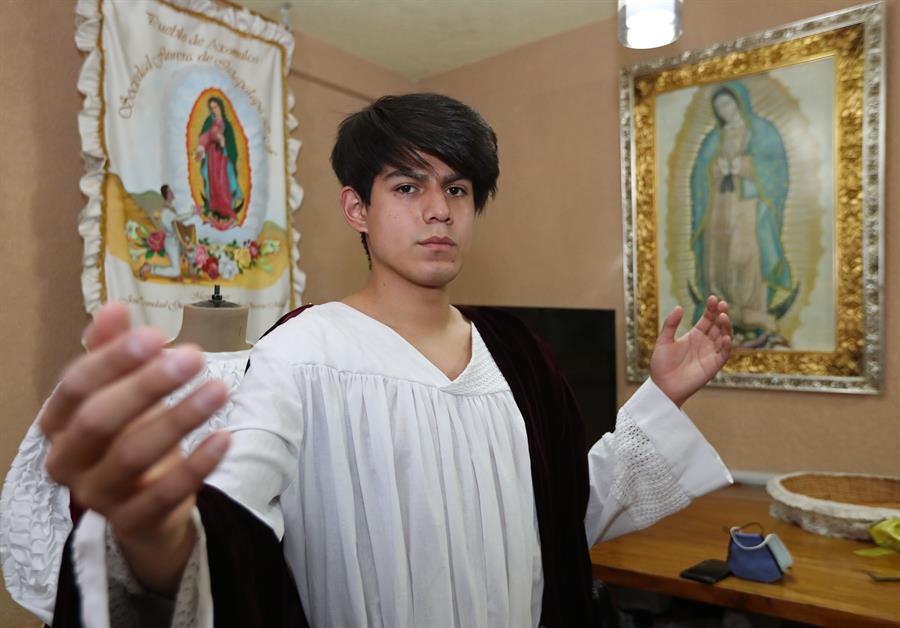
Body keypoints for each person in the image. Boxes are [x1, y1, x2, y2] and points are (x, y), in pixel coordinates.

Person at [43, 93, 733, 628]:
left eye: (457, 189)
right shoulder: (304, 351)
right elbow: (229, 532)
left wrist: (663, 398)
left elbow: (565, 515)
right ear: (357, 208)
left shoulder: (517, 355)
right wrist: (148, 536)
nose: (439, 210)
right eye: (408, 187)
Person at [689, 81, 797, 348]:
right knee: (718, 258)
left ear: (738, 102)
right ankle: (722, 310)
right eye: (718, 108)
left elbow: (776, 170)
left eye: (727, 104)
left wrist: (744, 166)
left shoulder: (761, 131)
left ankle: (751, 312)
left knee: (746, 256)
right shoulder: (714, 139)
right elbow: (698, 176)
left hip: (748, 207)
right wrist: (716, 167)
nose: (724, 111)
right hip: (718, 208)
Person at [194, 96, 244, 229]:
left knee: (224, 182)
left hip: (224, 158)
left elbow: (232, 145)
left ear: (220, 107)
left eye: (215, 107)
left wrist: (224, 143)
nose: (214, 110)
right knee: (214, 183)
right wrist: (201, 148)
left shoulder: (226, 124)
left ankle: (227, 210)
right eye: (211, 108)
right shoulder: (209, 122)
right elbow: (204, 137)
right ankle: (216, 211)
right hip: (212, 157)